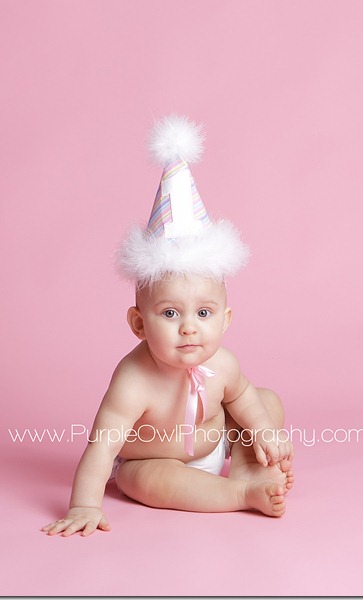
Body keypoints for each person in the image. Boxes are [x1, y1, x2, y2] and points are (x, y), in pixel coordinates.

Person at [42, 115, 294, 537]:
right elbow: (103, 445)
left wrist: (266, 433)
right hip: (155, 459)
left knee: (266, 401)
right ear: (139, 324)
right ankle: (237, 495)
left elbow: (243, 399)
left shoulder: (224, 364)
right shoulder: (133, 379)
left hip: (215, 442)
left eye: (204, 314)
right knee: (143, 481)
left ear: (226, 320)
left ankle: (249, 469)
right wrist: (84, 504)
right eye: (171, 314)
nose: (189, 328)